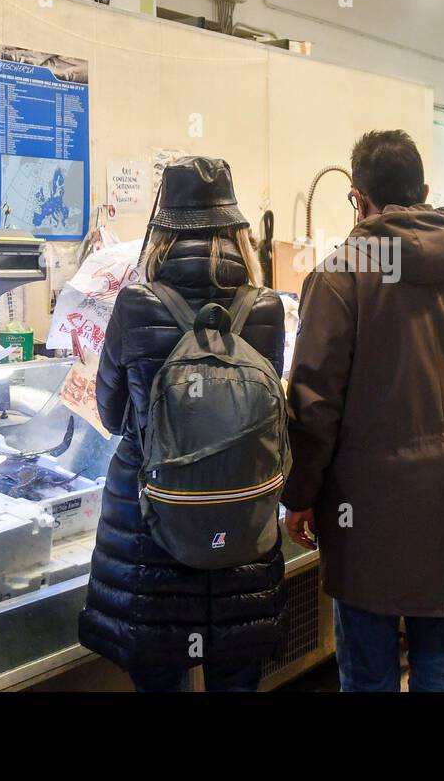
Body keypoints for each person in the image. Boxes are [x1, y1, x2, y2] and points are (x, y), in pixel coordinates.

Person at [282, 129, 444, 692]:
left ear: (358, 197)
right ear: (425, 189)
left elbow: (313, 403)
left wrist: (300, 495)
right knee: (438, 664)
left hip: (366, 510)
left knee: (370, 670)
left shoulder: (339, 277)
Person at [78, 157, 288, 692]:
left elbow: (108, 412)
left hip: (152, 532)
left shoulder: (136, 303)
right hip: (243, 528)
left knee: (160, 680)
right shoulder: (265, 308)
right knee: (236, 680)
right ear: (237, 229)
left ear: (163, 229)